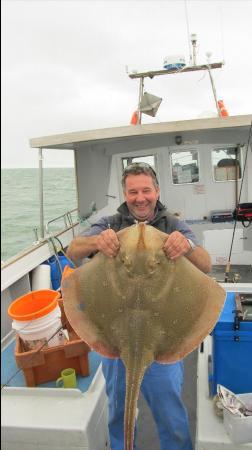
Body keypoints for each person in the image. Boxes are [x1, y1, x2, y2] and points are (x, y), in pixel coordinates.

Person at [67, 162, 212, 450]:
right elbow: (73, 251)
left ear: (157, 191)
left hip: (162, 337)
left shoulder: (172, 224)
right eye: (133, 192)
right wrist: (98, 240)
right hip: (116, 337)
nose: (140, 197)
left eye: (146, 190)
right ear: (125, 193)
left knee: (170, 412)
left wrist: (187, 246)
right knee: (119, 411)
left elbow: (205, 265)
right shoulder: (110, 223)